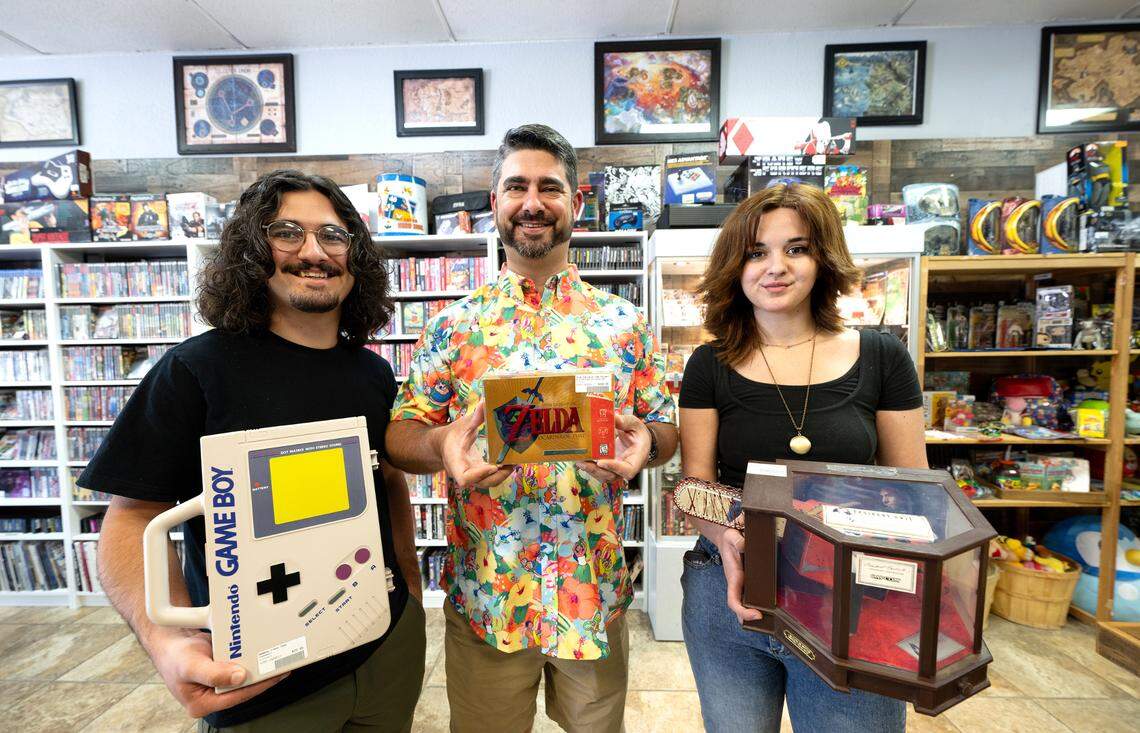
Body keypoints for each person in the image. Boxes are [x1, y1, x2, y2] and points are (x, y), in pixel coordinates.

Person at [84, 170, 425, 732]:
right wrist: (168, 641)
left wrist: (409, 587)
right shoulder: (195, 370)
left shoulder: (373, 372)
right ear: (251, 250)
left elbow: (386, 480)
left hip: (383, 650)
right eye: (287, 232)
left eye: (334, 235)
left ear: (355, 255)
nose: (314, 251)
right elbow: (130, 520)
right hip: (258, 679)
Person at [385, 124, 678, 733]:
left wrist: (648, 444)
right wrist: (441, 444)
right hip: (489, 593)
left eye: (550, 187)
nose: (532, 202)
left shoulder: (624, 324)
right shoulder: (453, 327)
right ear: (494, 204)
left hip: (590, 591)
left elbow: (663, 425)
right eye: (516, 186)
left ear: (574, 202)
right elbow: (401, 433)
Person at [677, 183, 926, 732]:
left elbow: (913, 487)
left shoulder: (881, 356)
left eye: (797, 248)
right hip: (730, 592)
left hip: (852, 602)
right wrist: (729, 537)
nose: (776, 267)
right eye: (756, 252)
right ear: (734, 267)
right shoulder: (708, 365)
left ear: (824, 259)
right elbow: (692, 489)